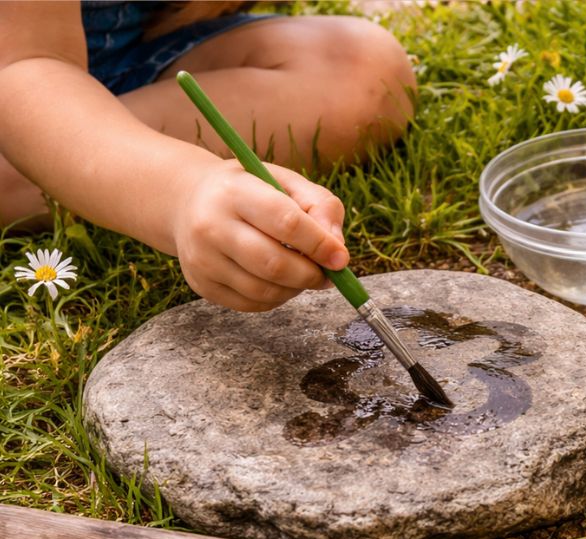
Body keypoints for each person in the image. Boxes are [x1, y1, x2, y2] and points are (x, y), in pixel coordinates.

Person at [0, 1, 417, 311]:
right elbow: (20, 67)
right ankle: (40, 153)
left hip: (133, 51)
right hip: (20, 67)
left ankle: (71, 146)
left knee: (361, 73)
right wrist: (180, 189)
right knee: (21, 120)